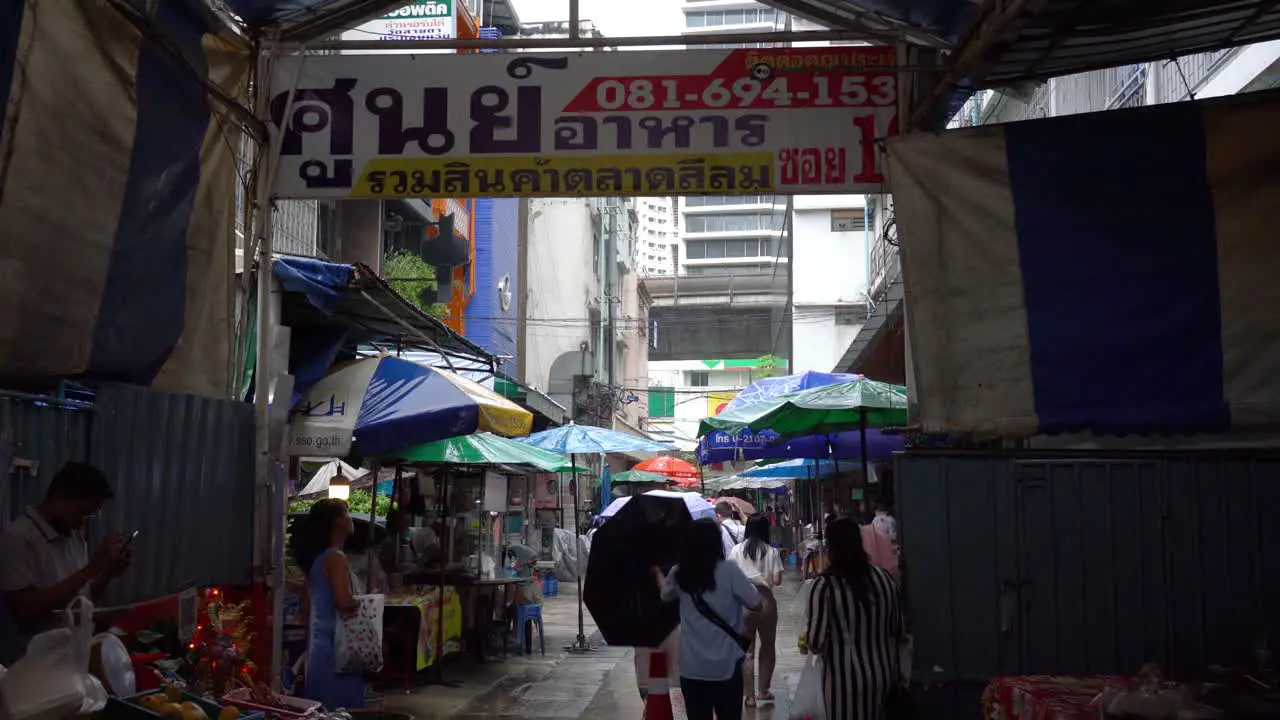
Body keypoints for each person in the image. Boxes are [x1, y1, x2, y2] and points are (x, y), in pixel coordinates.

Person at [0, 461, 130, 665]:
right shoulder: (19, 538)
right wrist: (93, 567)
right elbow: (26, 607)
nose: (83, 520)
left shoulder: (73, 535)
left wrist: (107, 574)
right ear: (58, 497)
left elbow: (78, 599)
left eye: (91, 514)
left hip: (73, 656)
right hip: (35, 664)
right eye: (81, 510)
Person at [653, 518, 761, 720]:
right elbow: (756, 603)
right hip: (727, 667)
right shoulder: (729, 571)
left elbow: (665, 595)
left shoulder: (679, 572)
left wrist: (658, 572)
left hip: (692, 668)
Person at [802, 516, 904, 720]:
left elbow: (816, 643)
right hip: (883, 679)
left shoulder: (824, 587)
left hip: (843, 684)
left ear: (831, 547)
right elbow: (896, 631)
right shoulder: (884, 579)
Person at [290, 499, 364, 709]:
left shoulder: (317, 561)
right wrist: (364, 602)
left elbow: (305, 608)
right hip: (339, 649)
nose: (351, 517)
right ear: (338, 522)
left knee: (321, 709)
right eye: (347, 512)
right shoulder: (335, 558)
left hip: (317, 648)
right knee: (341, 710)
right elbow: (343, 601)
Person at [728, 514, 783, 707]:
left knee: (746, 651)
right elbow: (776, 580)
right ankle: (763, 691)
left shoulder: (736, 550)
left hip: (742, 603)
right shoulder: (772, 551)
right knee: (767, 646)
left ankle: (748, 696)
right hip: (765, 602)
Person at [378, 509, 440, 582]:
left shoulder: (425, 532)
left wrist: (419, 565)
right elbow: (385, 564)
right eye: (426, 517)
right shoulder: (389, 540)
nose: (428, 519)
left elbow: (432, 550)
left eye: (431, 517)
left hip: (412, 578)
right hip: (394, 579)